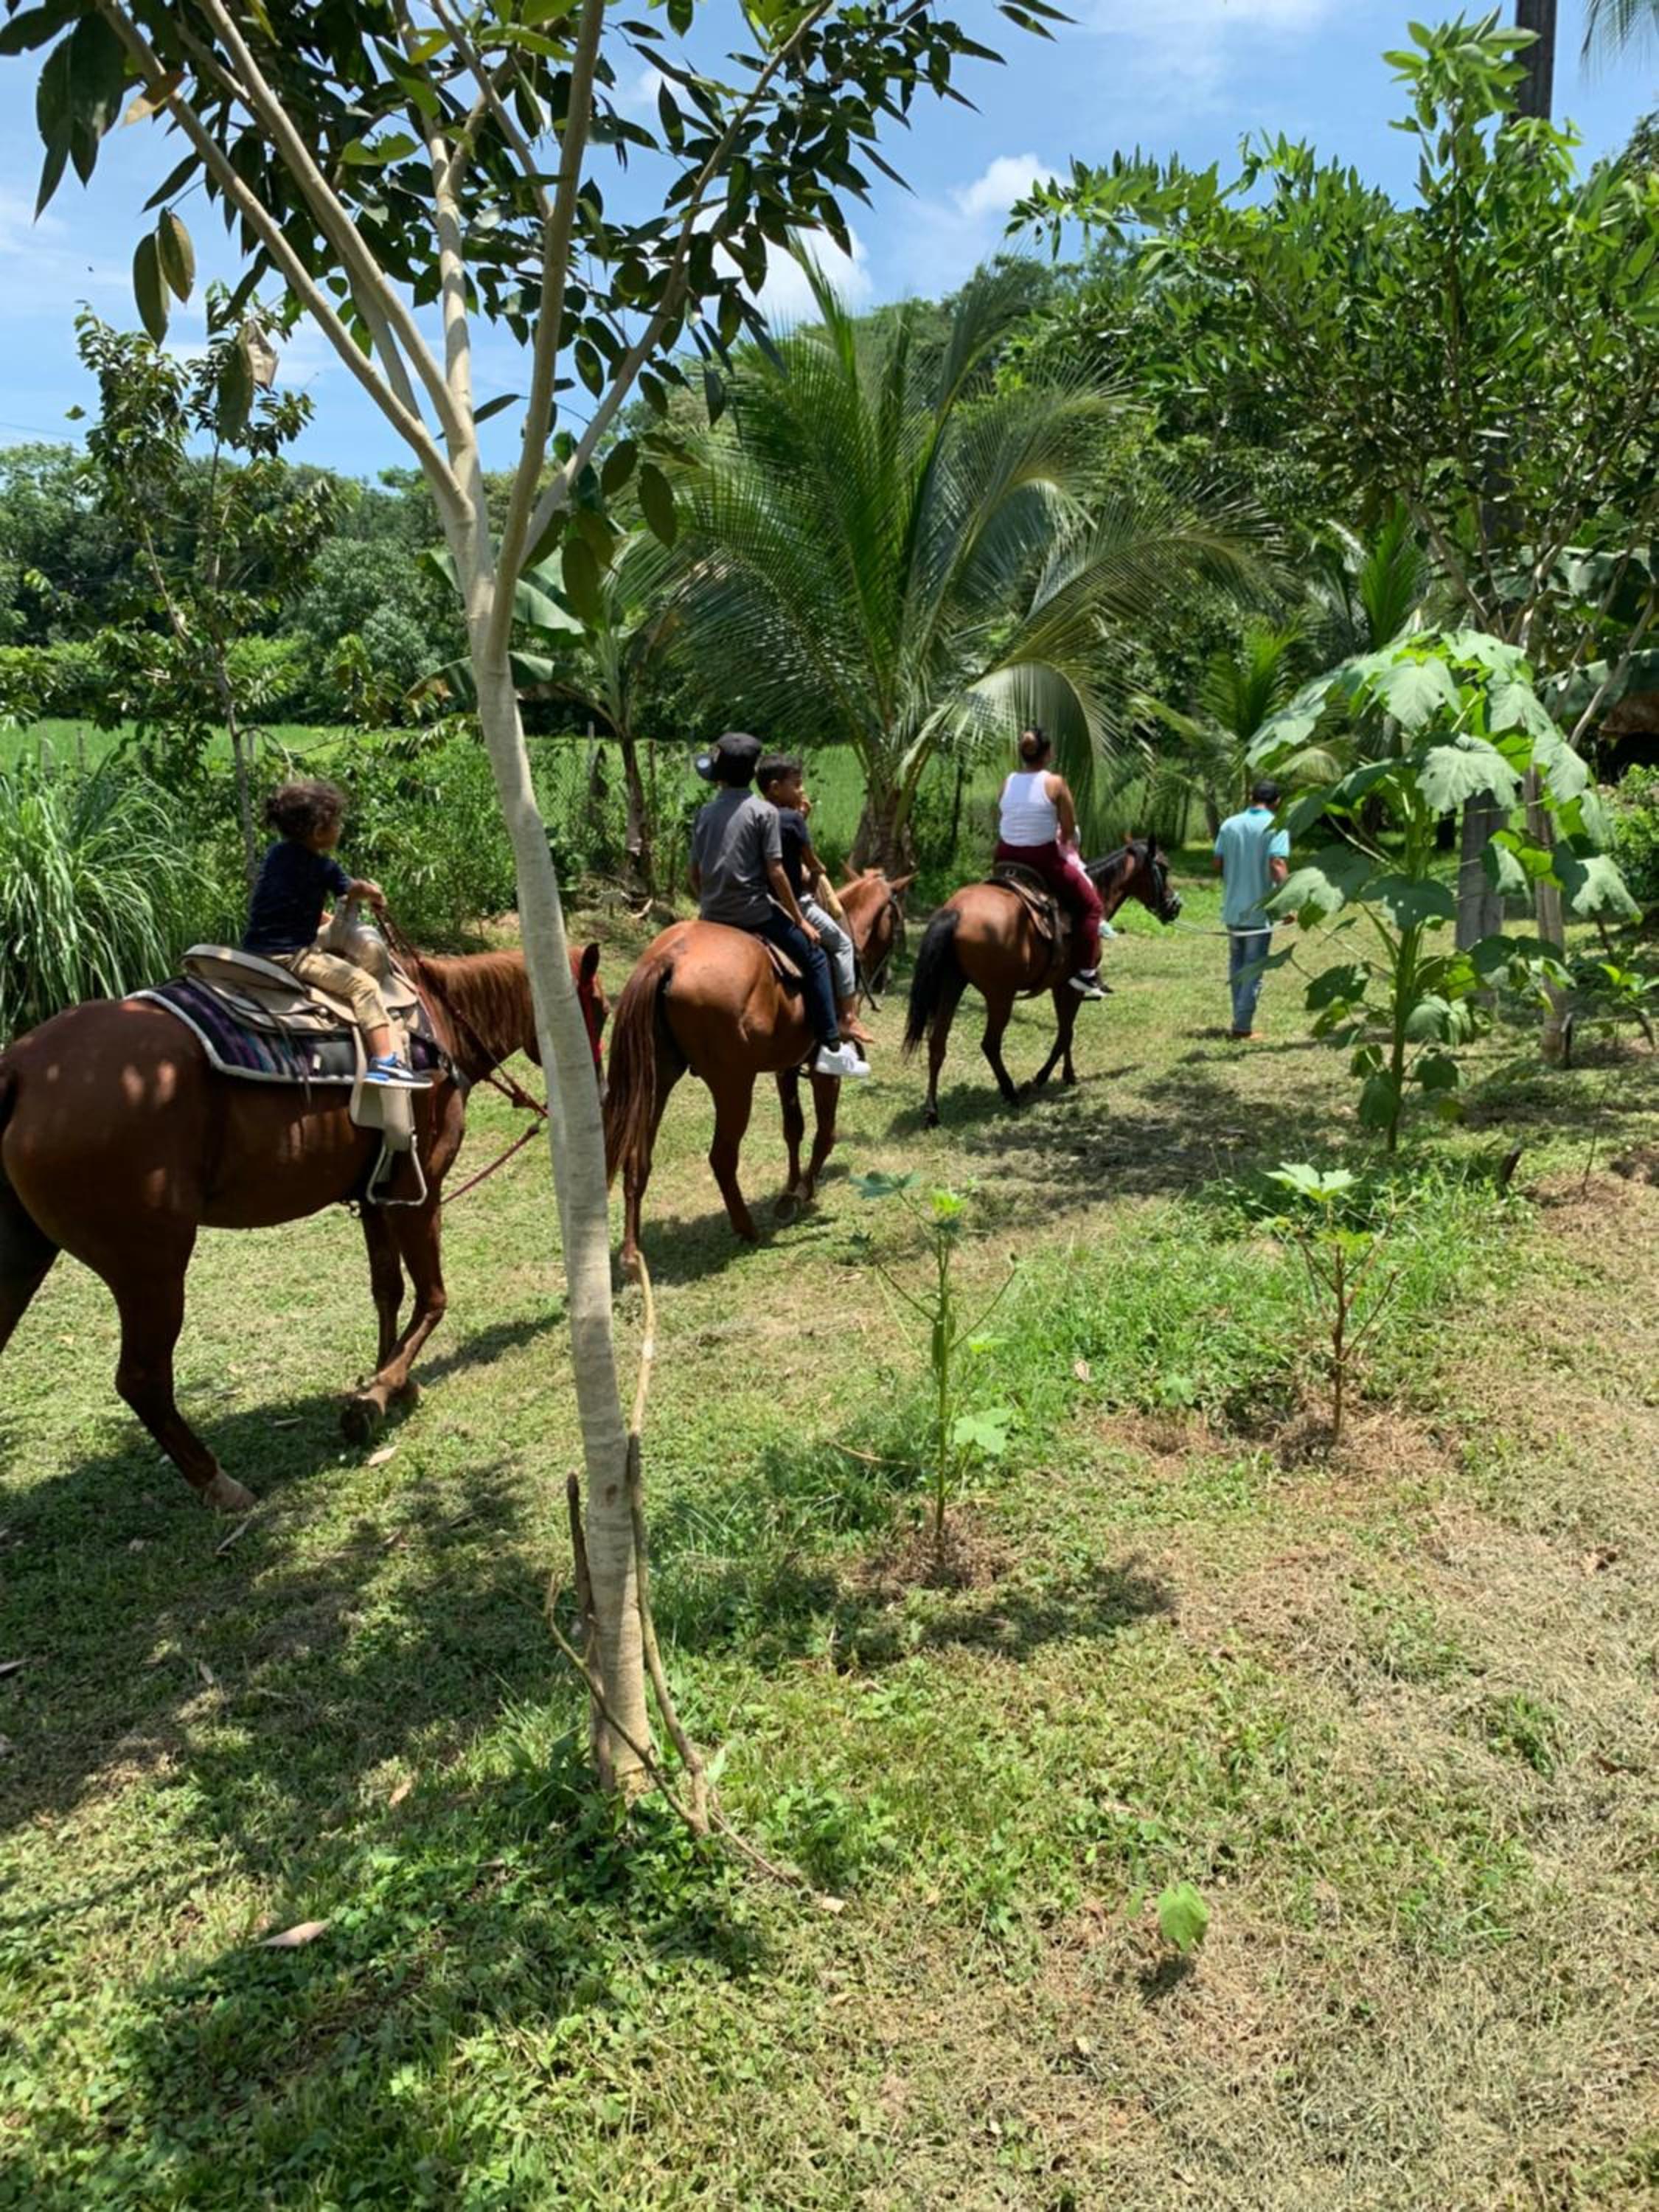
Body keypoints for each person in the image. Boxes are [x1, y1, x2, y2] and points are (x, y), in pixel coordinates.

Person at [689, 733, 869, 1079]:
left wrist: (708, 901)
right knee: (816, 957)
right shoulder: (764, 812)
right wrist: (800, 920)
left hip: (711, 912)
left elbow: (694, 875)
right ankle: (831, 1046)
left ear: (720, 777)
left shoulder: (705, 813)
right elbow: (775, 872)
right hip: (754, 912)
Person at [243, 778, 429, 1088]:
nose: (340, 828)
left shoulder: (276, 854)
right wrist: (374, 894)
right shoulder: (323, 868)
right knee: (363, 986)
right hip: (291, 956)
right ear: (319, 831)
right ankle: (386, 1062)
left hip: (255, 950)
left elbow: (293, 902)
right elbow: (352, 890)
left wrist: (328, 919)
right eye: (337, 823)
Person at [754, 754, 874, 1050]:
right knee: (842, 945)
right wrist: (817, 865)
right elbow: (813, 864)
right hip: (794, 903)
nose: (802, 790)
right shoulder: (793, 819)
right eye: (796, 784)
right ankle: (847, 1016)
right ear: (775, 788)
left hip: (756, 900)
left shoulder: (756, 814)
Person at [994, 726, 1107, 998]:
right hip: (1041, 858)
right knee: (1092, 906)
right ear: (1047, 753)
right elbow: (1067, 831)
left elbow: (1004, 814)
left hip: (1004, 856)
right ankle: (1086, 973)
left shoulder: (1008, 781)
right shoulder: (1056, 783)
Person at [1213, 777, 1290, 1040]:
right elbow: (1277, 864)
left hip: (1233, 909)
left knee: (1237, 964)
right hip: (1259, 911)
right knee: (1253, 968)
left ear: (1251, 798)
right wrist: (1287, 902)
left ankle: (1239, 1019)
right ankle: (1242, 1026)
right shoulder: (1276, 826)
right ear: (1277, 801)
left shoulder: (1229, 824)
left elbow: (1218, 862)